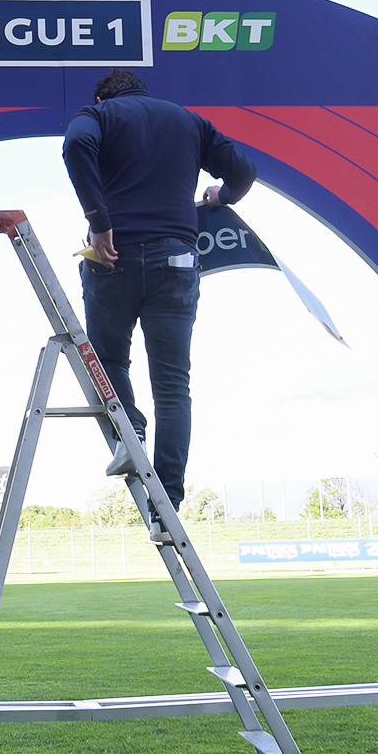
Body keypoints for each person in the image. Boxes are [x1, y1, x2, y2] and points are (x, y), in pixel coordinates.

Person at [62, 69, 256, 534]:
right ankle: (167, 507)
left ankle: (129, 430)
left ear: (102, 97)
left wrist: (99, 222)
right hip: (177, 262)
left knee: (108, 358)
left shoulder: (99, 116)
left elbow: (76, 145)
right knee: (172, 387)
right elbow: (244, 172)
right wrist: (223, 194)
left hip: (114, 258)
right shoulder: (189, 122)